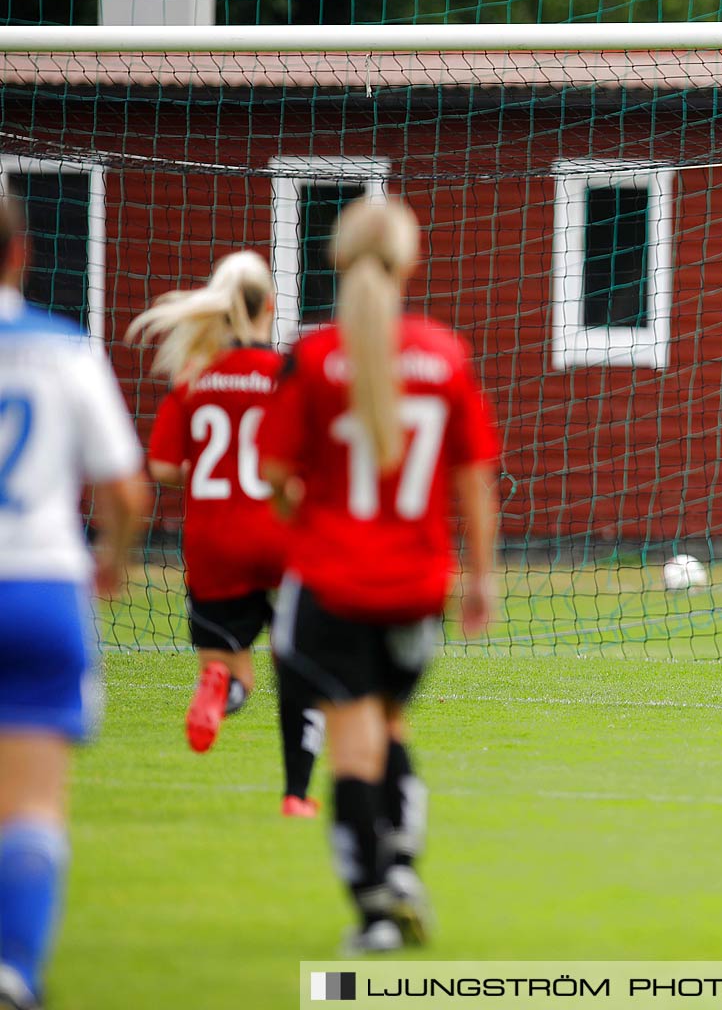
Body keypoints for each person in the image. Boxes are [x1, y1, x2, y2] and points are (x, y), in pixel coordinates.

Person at [259, 197, 500, 953]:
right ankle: (398, 866)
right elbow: (473, 479)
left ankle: (374, 906)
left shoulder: (313, 357)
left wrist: (306, 510)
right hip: (416, 587)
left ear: (337, 257)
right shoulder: (446, 355)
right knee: (389, 726)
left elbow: (271, 473)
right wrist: (482, 578)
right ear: (409, 261)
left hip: (332, 583)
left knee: (355, 743)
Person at [0, 195, 147, 1010]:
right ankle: (15, 969)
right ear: (20, 254)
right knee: (30, 803)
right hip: (41, 586)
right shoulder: (63, 351)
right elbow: (126, 488)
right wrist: (113, 560)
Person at [129, 251, 323, 817]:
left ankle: (220, 684)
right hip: (283, 536)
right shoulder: (289, 374)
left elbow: (163, 468)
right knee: (302, 672)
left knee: (233, 667)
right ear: (270, 306)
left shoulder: (196, 376)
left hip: (215, 543)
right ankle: (296, 796)